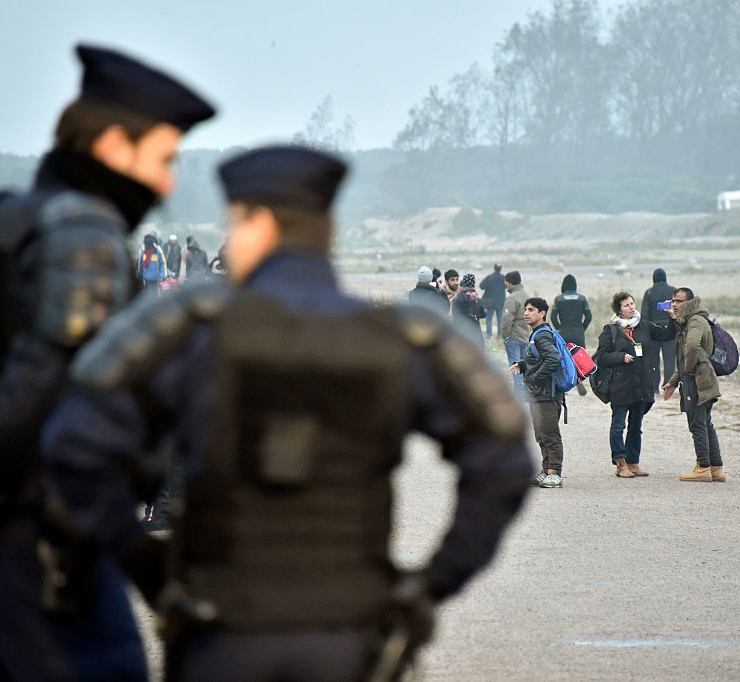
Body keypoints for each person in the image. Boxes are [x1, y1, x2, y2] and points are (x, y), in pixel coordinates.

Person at [42, 145, 532, 680]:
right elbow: (503, 460)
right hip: (351, 634)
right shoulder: (405, 339)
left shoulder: (189, 328)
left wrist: (149, 570)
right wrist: (431, 585)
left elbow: (75, 446)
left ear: (258, 222)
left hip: (220, 632)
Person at [0, 44, 214, 680]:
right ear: (111, 146)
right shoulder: (87, 233)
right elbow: (42, 396)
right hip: (52, 546)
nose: (166, 183)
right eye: (162, 159)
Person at [594, 291, 675, 478]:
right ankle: (620, 463)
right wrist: (620, 357)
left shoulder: (644, 326)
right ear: (619, 310)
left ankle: (633, 462)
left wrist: (671, 316)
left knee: (636, 426)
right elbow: (601, 357)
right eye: (626, 305)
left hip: (642, 384)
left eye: (632, 303)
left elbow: (667, 334)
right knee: (618, 425)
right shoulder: (611, 330)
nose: (631, 307)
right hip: (620, 385)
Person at [662, 288, 724, 482]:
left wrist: (688, 370)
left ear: (690, 303)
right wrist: (673, 382)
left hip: (697, 379)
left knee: (697, 423)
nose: (674, 304)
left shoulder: (695, 321)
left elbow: (691, 347)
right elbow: (683, 355)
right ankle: (716, 468)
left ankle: (703, 467)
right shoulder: (687, 321)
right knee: (705, 422)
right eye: (673, 301)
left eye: (679, 301)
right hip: (699, 377)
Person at [509, 298, 564, 488]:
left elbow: (553, 359)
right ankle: (546, 470)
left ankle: (555, 473)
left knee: (550, 434)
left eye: (531, 310)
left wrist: (534, 379)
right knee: (541, 435)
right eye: (525, 309)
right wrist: (523, 365)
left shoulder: (542, 335)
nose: (526, 313)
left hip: (547, 394)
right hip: (538, 394)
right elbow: (538, 359)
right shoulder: (537, 334)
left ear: (542, 313)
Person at [551, 274, 593, 396]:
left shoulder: (558, 299)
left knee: (564, 358)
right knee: (580, 357)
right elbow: (589, 317)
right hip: (578, 332)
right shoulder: (582, 298)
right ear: (575, 286)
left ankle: (565, 383)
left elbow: (553, 317)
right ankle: (579, 379)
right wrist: (582, 328)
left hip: (564, 332)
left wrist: (559, 328)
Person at [641, 267, 677, 393]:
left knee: (653, 361)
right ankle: (668, 385)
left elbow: (644, 315)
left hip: (653, 332)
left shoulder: (649, 293)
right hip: (670, 331)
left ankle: (655, 387)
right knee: (669, 360)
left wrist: (644, 332)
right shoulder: (673, 291)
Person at [500, 271, 529, 393]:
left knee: (515, 366)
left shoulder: (512, 298)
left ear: (509, 283)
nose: (505, 284)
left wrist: (505, 336)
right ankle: (526, 391)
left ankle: (518, 392)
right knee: (525, 365)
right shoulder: (525, 295)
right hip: (525, 335)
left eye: (506, 282)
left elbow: (507, 320)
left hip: (514, 337)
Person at [451, 273, 486, 346]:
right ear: (473, 284)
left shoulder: (457, 298)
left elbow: (454, 314)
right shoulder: (476, 299)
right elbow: (483, 314)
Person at [480, 263, 506, 338]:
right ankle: (499, 335)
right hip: (500, 302)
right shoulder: (503, 278)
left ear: (494, 268)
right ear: (501, 269)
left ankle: (489, 335)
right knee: (500, 319)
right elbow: (507, 287)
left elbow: (481, 286)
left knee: (489, 319)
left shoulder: (489, 277)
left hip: (490, 302)